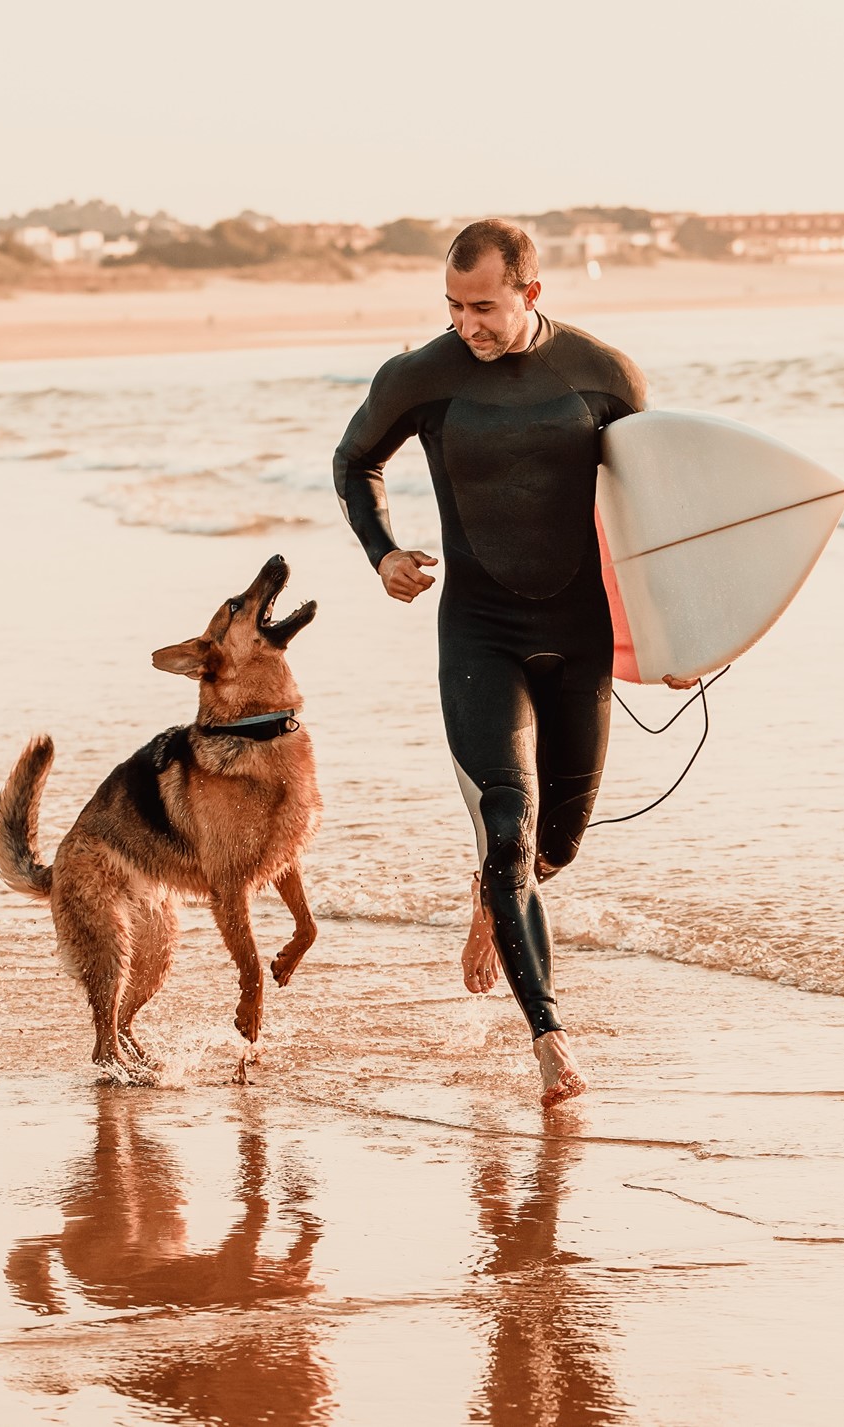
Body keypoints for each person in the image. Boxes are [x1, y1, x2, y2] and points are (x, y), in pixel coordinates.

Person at [333, 219, 691, 1108]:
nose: (467, 325)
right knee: (508, 822)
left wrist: (678, 633)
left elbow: (650, 513)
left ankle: (494, 896)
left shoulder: (603, 376)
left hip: (581, 638)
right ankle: (551, 1038)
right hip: (478, 633)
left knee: (554, 846)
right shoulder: (420, 377)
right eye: (452, 307)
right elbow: (354, 462)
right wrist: (381, 552)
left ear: (531, 293)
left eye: (483, 306)